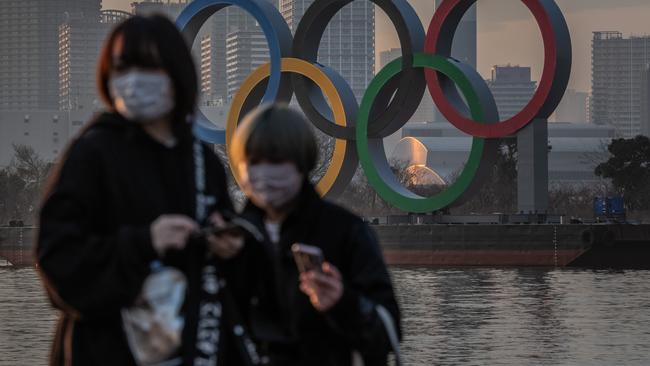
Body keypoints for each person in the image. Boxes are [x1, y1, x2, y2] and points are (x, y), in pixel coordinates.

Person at [36, 15, 244, 366]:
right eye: (121, 68)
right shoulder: (92, 153)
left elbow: (233, 273)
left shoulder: (202, 161)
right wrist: (145, 241)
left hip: (192, 346)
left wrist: (232, 246)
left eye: (148, 67)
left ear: (177, 75)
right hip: (106, 348)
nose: (133, 81)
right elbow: (58, 262)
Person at [223, 104, 401, 366]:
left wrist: (342, 302)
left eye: (276, 160)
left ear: (301, 163)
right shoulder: (232, 238)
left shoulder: (344, 231)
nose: (263, 172)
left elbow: (388, 333)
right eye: (253, 162)